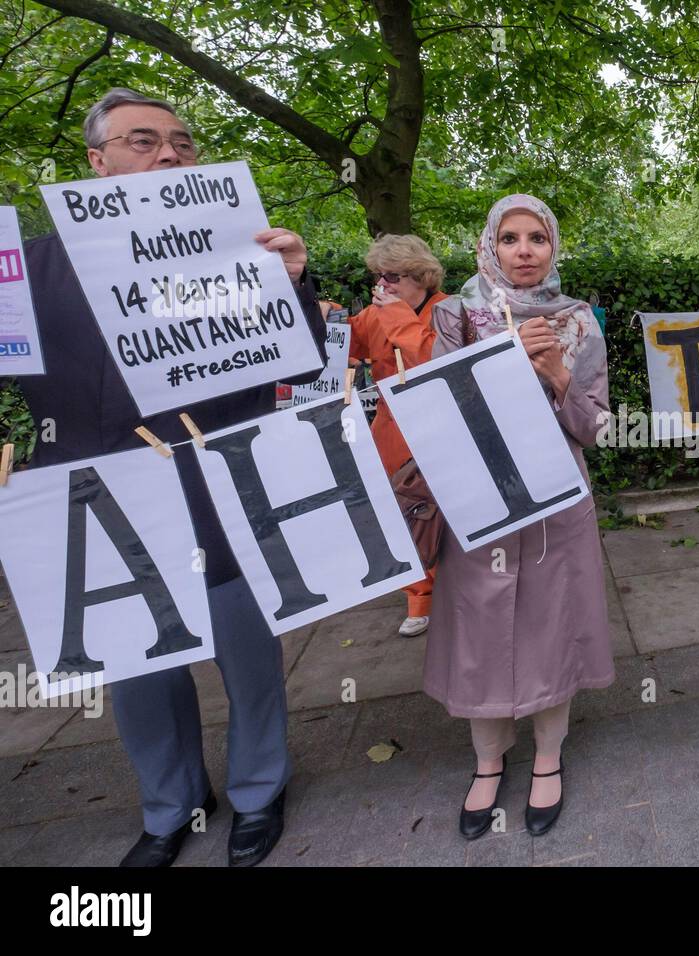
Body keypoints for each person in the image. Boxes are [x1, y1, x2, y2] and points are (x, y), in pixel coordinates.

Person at [19, 88, 328, 867]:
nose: (167, 156)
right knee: (138, 674)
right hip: (100, 501)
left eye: (183, 145)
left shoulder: (238, 252)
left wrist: (290, 283)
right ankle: (172, 806)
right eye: (143, 141)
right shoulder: (29, 267)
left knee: (247, 655)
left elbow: (301, 364)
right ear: (96, 162)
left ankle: (260, 792)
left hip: (215, 487)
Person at [424, 193, 613, 839]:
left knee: (552, 623)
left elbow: (595, 428)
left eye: (538, 238)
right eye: (511, 238)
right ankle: (486, 763)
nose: (526, 250)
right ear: (490, 245)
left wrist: (558, 372)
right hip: (482, 502)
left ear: (554, 248)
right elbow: (436, 406)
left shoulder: (579, 319)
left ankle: (550, 758)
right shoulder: (456, 313)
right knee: (479, 628)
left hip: (557, 499)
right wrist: (503, 354)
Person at [346, 234, 448, 636]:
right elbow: (345, 343)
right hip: (392, 431)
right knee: (407, 517)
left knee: (451, 514)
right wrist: (322, 314)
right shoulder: (375, 314)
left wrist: (397, 318)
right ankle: (418, 597)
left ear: (420, 276)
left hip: (442, 426)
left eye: (392, 276)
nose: (382, 285)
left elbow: (434, 362)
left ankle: (458, 588)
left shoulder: (450, 310)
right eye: (378, 276)